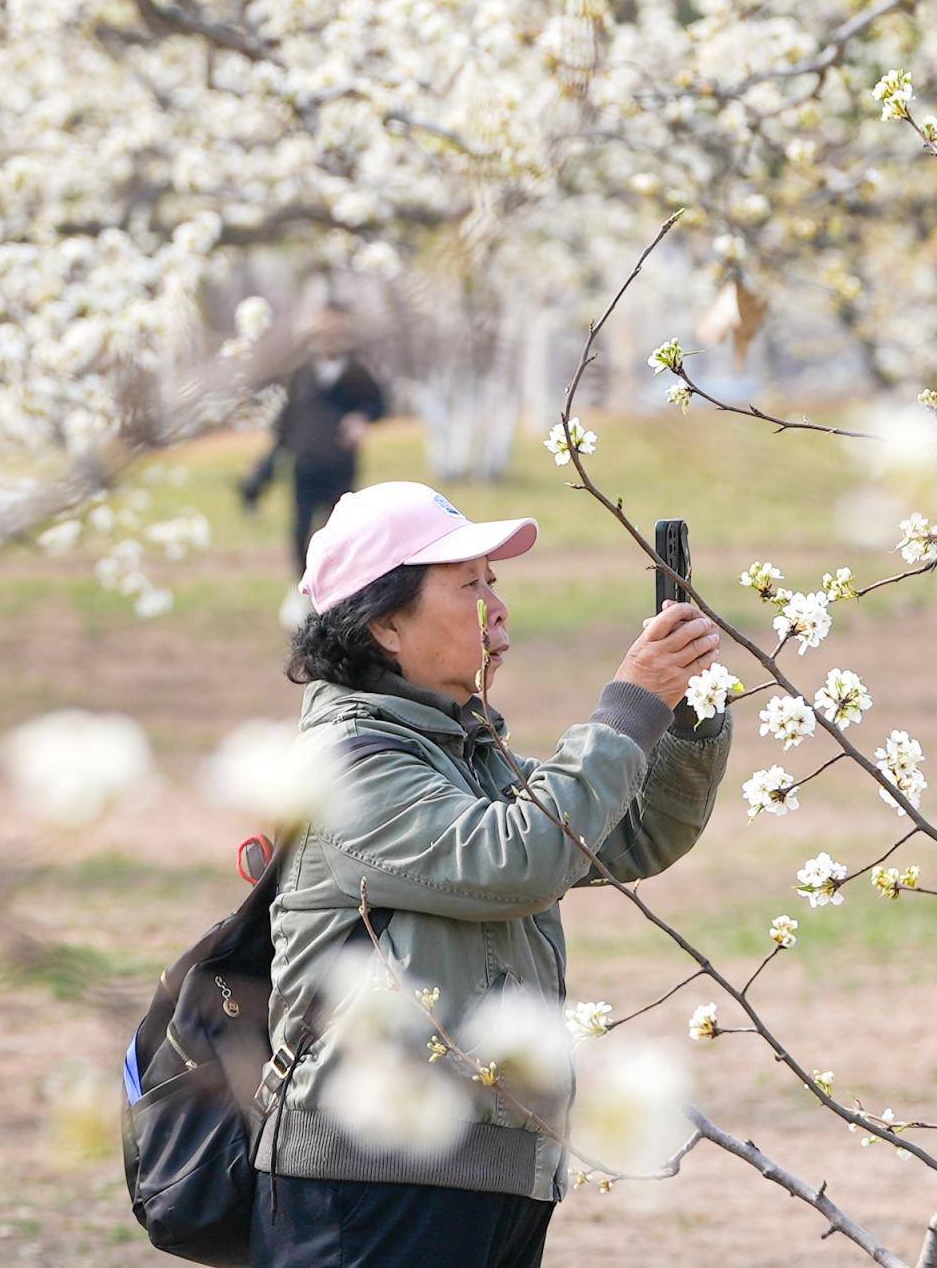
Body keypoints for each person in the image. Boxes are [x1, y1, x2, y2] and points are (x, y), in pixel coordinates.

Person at [253, 482, 728, 1267]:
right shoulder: (346, 764)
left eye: (494, 582)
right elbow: (521, 856)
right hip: (370, 1179)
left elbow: (636, 831)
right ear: (384, 622)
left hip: (488, 1171)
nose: (497, 606)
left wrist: (686, 708)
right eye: (469, 584)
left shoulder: (463, 758)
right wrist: (629, 705)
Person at [242, 304, 389, 573]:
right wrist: (269, 460)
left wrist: (361, 419)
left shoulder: (357, 372)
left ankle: (342, 583)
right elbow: (288, 419)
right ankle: (303, 584)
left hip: (340, 464)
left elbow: (377, 405)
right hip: (305, 464)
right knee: (301, 528)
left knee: (342, 529)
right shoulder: (302, 372)